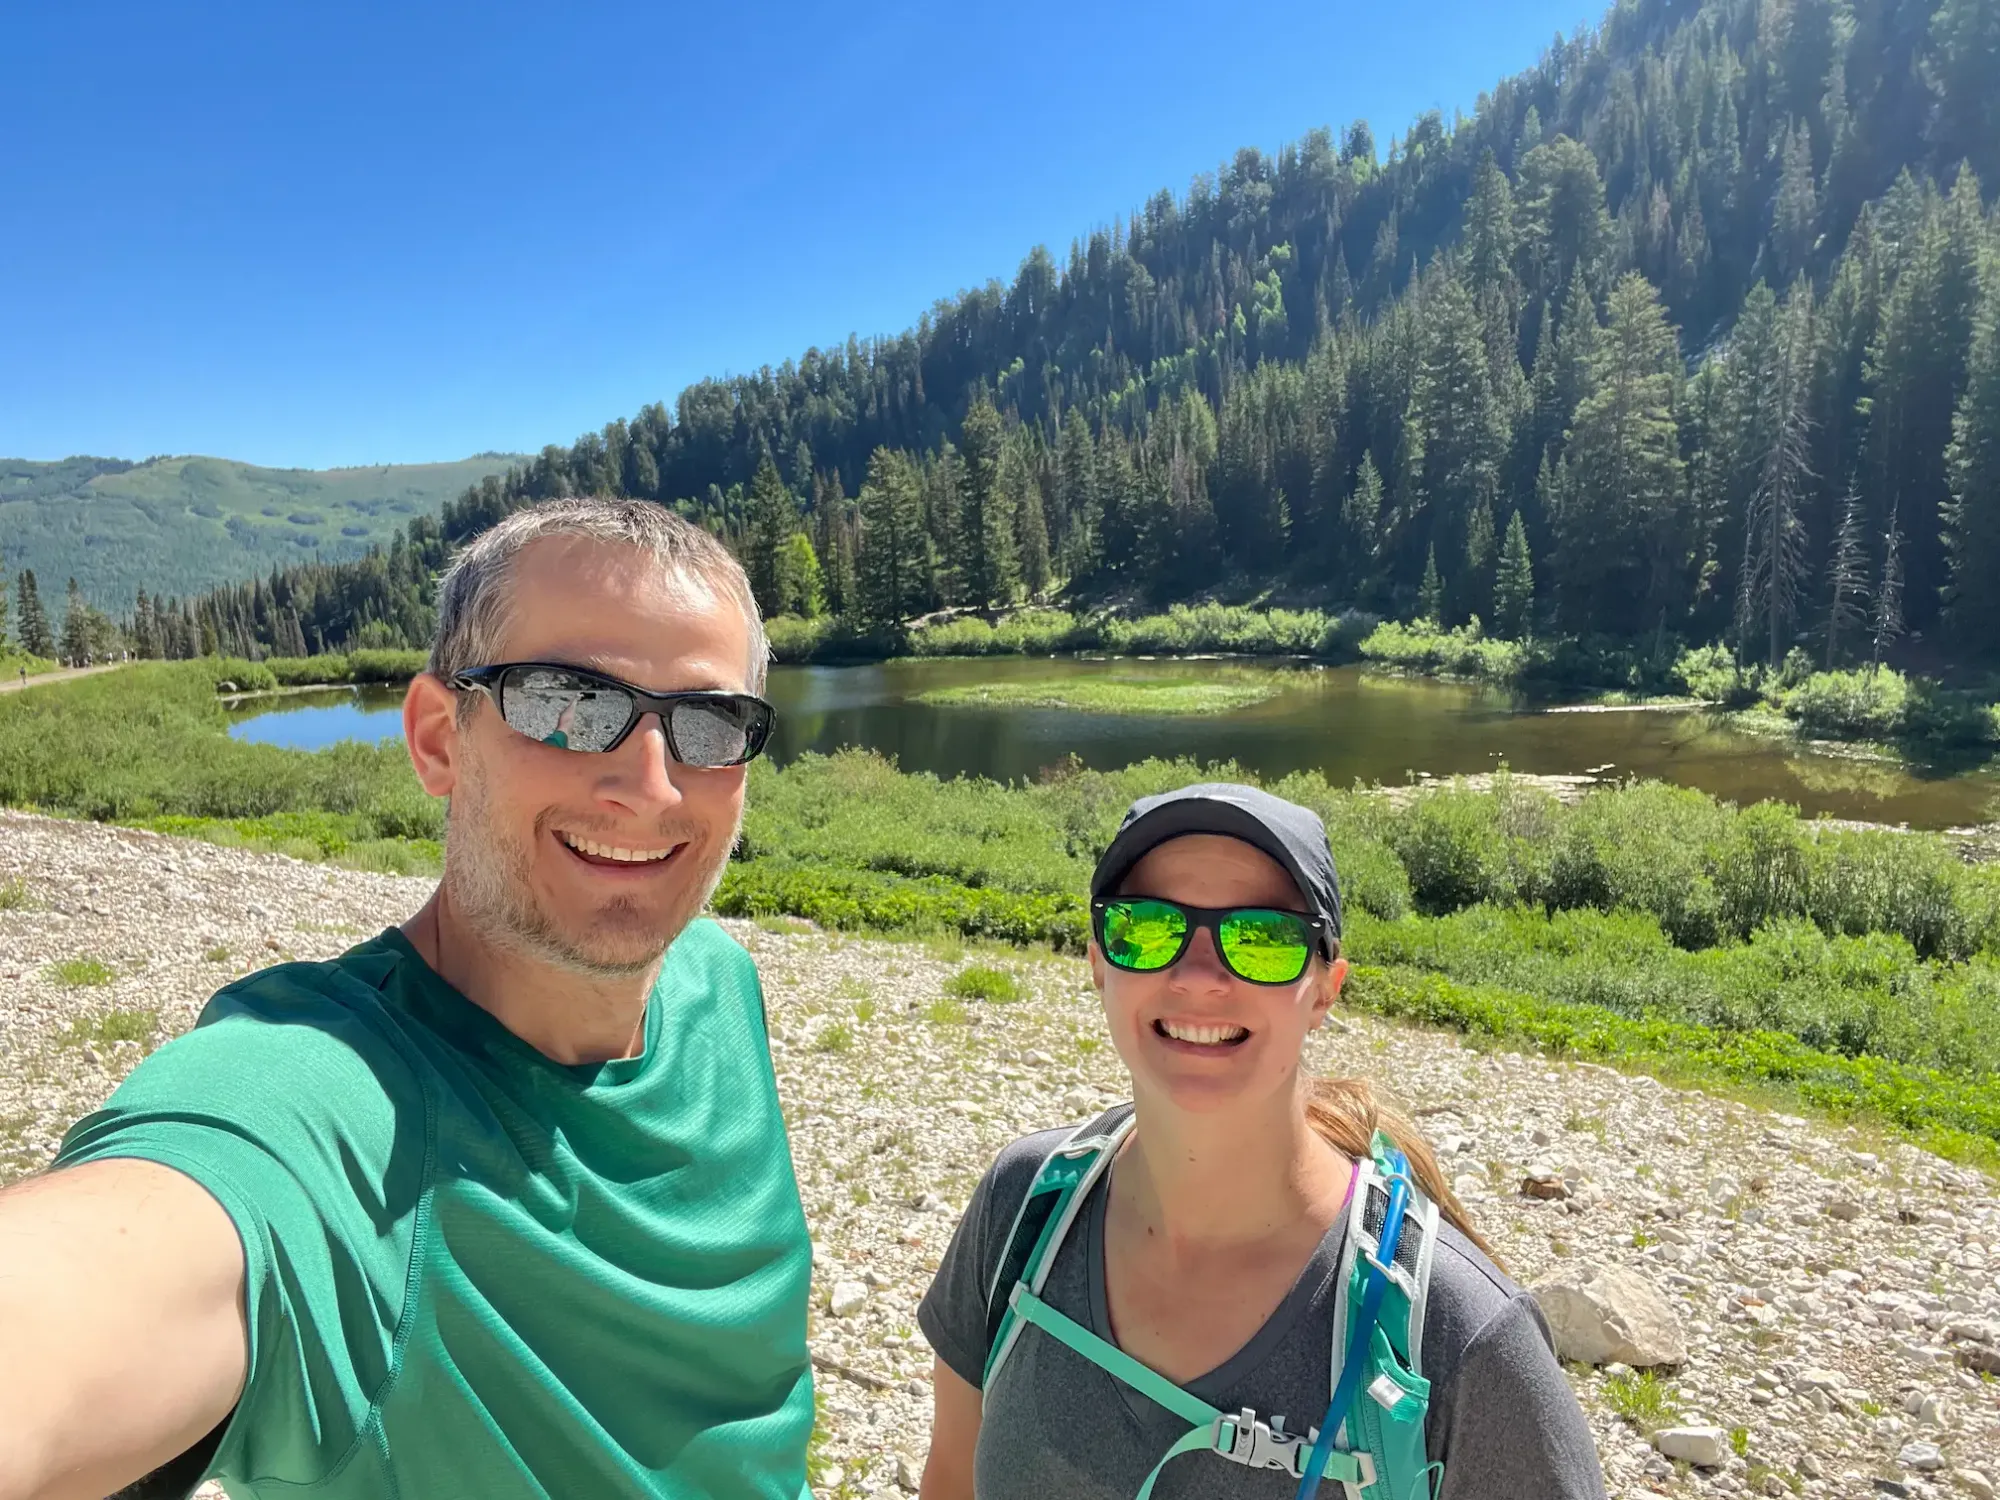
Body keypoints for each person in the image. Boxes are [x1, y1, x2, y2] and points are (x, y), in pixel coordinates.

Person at [0, 499, 816, 1500]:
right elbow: (79, 1296)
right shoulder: (328, 1104)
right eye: (567, 702)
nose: (651, 787)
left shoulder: (715, 982)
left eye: (709, 722)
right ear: (437, 737)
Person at [917, 783, 1606, 1499]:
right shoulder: (1024, 1211)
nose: (1198, 977)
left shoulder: (1459, 1338)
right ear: (1098, 963)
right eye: (1148, 928)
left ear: (1325, 988)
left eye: (1262, 939)